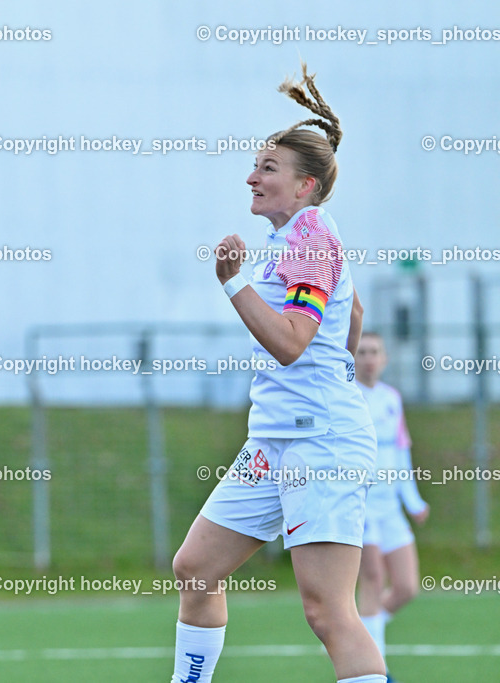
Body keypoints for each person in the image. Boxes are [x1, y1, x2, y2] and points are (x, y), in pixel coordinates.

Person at [170, 64, 387, 683]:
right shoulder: (297, 237)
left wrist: (232, 282)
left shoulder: (309, 237)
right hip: (275, 437)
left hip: (320, 440)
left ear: (305, 185)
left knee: (328, 611)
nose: (251, 177)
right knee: (197, 568)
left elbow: (292, 344)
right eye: (256, 164)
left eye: (267, 167)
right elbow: (355, 314)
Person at [354, 331, 429, 682]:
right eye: (362, 351)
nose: (369, 358)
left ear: (384, 359)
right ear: (353, 358)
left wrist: (412, 501)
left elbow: (402, 452)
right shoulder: (348, 397)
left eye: (375, 352)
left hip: (391, 508)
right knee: (372, 578)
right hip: (361, 506)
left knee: (406, 587)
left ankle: (354, 637)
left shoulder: (391, 399)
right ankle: (376, 670)